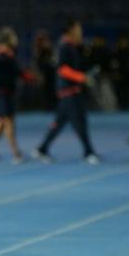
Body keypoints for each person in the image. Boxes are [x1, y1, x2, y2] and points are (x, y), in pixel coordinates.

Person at [32, 19, 100, 164]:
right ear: (71, 30)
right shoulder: (65, 47)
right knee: (79, 122)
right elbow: (63, 70)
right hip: (69, 92)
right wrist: (82, 77)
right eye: (78, 29)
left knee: (60, 123)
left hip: (71, 91)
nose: (80, 32)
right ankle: (88, 152)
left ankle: (42, 149)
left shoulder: (73, 47)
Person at [0, 27, 29, 164]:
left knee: (1, 122)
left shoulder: (10, 57)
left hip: (9, 94)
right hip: (1, 95)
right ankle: (16, 152)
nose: (16, 40)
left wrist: (29, 77)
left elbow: (19, 73)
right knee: (9, 123)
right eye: (13, 37)